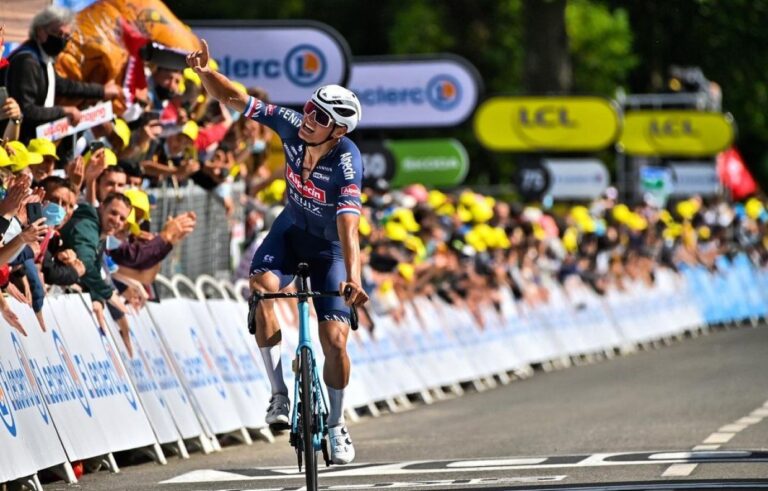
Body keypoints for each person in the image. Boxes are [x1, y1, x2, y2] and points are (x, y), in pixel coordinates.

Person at [189, 40, 368, 465]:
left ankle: (338, 425)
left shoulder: (347, 162)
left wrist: (354, 279)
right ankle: (278, 394)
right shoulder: (292, 124)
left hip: (329, 250)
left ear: (338, 131)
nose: (308, 118)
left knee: (335, 340)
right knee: (262, 289)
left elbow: (348, 227)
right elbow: (235, 98)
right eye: (309, 107)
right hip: (289, 231)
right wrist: (203, 72)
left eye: (320, 117)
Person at [3, 6, 121, 142]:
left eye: (67, 36)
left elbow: (61, 85)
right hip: (13, 143)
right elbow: (26, 111)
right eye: (59, 34)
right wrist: (64, 111)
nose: (62, 40)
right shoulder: (27, 62)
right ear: (41, 32)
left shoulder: (44, 58)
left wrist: (101, 91)